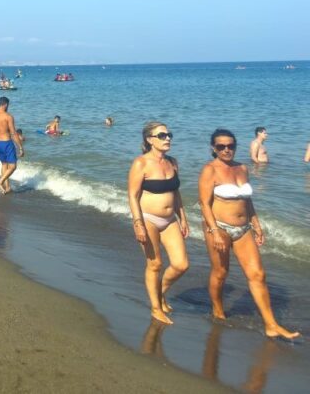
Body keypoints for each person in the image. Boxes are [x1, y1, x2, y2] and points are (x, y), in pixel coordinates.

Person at [199, 129, 299, 339]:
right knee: (221, 272)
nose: (227, 150)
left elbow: (247, 201)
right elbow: (205, 204)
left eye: (231, 146)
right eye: (221, 146)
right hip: (219, 227)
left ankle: (271, 324)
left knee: (258, 275)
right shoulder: (210, 170)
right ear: (213, 148)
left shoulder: (242, 168)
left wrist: (257, 224)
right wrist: (215, 231)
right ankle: (218, 310)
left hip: (244, 229)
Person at [127, 121, 190, 325]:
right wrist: (138, 223)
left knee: (181, 265)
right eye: (162, 136)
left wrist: (183, 218)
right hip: (148, 219)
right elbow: (133, 195)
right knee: (155, 264)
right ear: (149, 140)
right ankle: (155, 308)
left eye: (169, 134)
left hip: (170, 219)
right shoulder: (141, 163)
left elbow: (176, 192)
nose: (168, 138)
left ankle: (159, 292)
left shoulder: (172, 162)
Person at [0, 97, 24, 195]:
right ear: (6, 104)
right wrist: (20, 147)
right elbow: (13, 133)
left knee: (4, 164)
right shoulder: (8, 116)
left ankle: (7, 188)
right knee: (13, 166)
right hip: (6, 143)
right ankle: (0, 182)